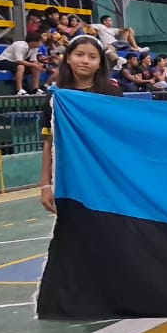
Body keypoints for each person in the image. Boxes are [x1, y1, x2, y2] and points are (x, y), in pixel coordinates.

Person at [39, 34, 124, 214]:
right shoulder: (55, 97)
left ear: (100, 63)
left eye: (92, 57)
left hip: (107, 176)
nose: (85, 61)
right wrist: (46, 184)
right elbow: (48, 143)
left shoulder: (112, 94)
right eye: (79, 54)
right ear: (68, 58)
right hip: (70, 179)